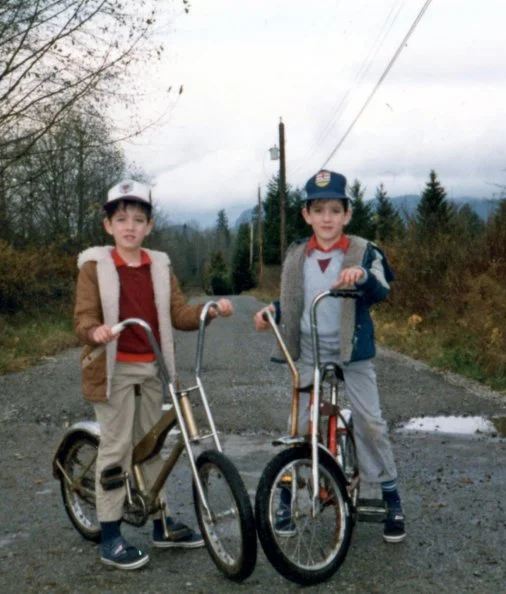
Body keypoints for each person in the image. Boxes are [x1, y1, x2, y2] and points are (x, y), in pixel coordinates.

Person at [74, 179, 234, 570]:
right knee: (116, 447)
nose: (130, 226)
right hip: (111, 369)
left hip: (151, 367)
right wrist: (94, 330)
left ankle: (161, 521)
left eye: (139, 219)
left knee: (151, 444)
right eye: (121, 218)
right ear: (108, 225)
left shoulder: (159, 266)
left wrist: (206, 311)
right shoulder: (95, 266)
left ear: (149, 226)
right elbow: (84, 317)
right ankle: (109, 535)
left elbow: (177, 313)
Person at [252, 169, 405, 544]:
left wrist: (361, 277)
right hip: (309, 349)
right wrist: (271, 311)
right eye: (318, 210)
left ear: (347, 215)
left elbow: (382, 287)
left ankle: (390, 495)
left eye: (334, 210)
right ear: (306, 215)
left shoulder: (362, 250)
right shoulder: (296, 255)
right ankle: (286, 496)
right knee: (300, 424)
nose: (326, 218)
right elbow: (293, 300)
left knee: (370, 421)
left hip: (351, 351)